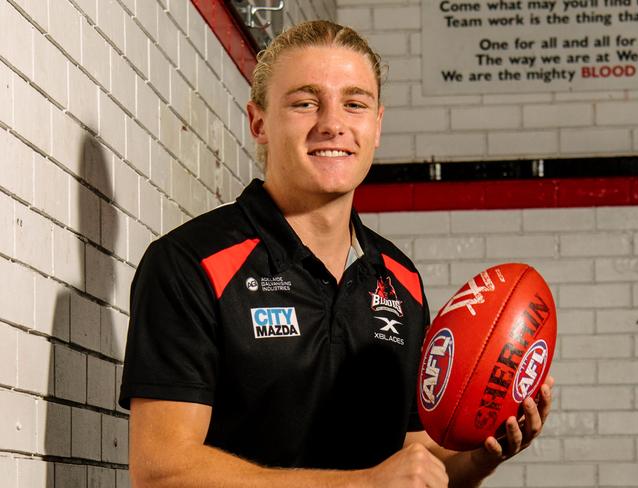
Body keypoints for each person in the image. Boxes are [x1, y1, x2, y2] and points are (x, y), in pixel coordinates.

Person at [119, 20, 553, 488]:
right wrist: (360, 485)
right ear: (258, 122)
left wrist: (481, 458)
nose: (332, 124)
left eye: (354, 103)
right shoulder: (190, 262)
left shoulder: (399, 279)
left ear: (377, 124)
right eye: (305, 103)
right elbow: (162, 471)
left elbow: (416, 463)